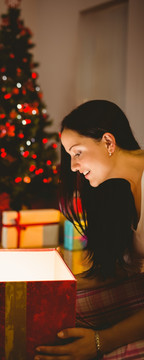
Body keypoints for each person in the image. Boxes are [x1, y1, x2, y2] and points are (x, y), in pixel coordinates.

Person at [35, 100, 144, 359]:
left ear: (108, 142)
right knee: (58, 309)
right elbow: (123, 270)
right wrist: (56, 285)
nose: (72, 166)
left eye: (77, 152)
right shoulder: (121, 187)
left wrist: (100, 342)